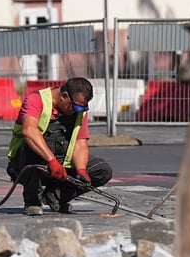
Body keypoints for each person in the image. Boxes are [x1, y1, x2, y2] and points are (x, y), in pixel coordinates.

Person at [6, 77, 112, 216]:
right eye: (76, 107)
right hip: (28, 166)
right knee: (30, 147)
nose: (78, 111)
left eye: (83, 108)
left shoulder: (79, 111)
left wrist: (81, 170)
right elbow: (29, 131)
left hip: (60, 166)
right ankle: (32, 201)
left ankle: (54, 196)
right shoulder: (36, 100)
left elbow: (80, 142)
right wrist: (52, 161)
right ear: (64, 96)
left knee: (102, 170)